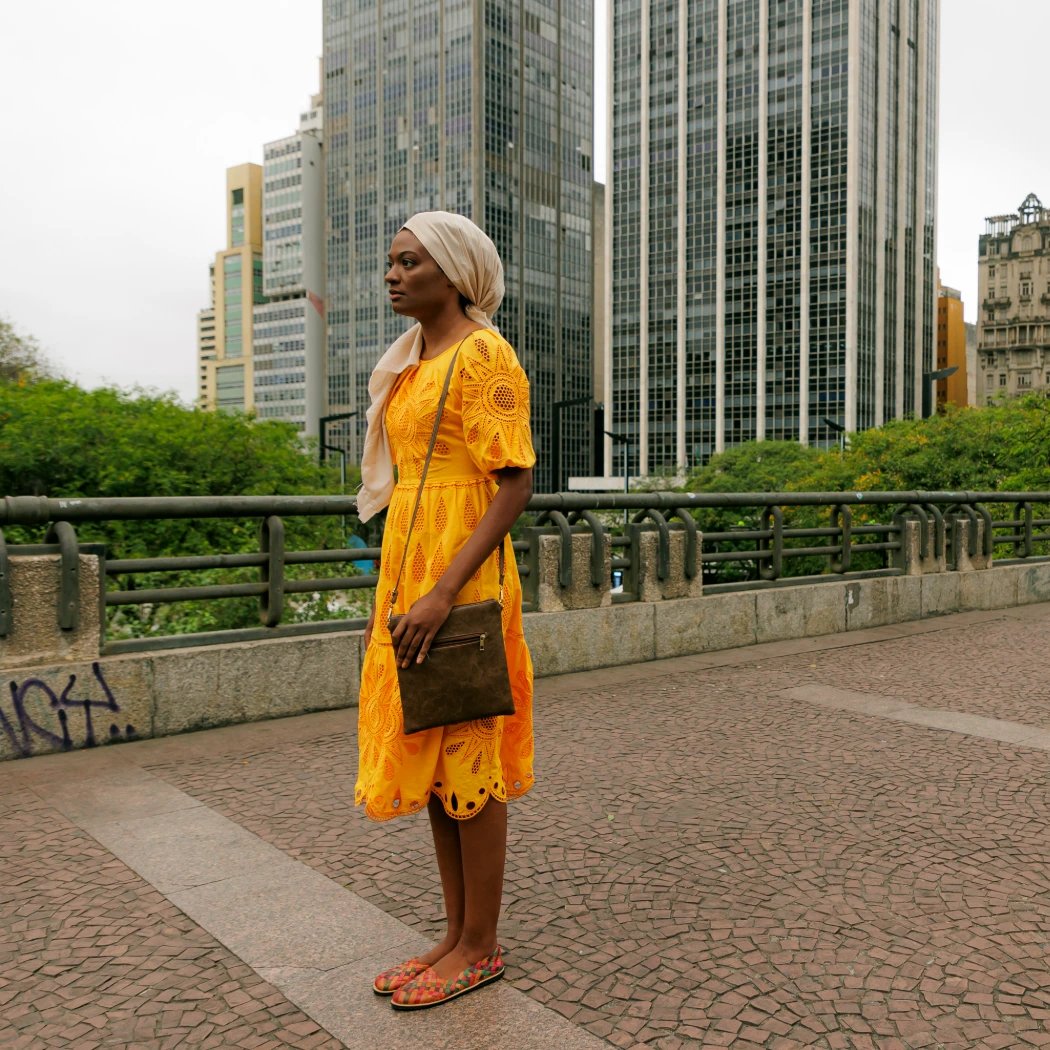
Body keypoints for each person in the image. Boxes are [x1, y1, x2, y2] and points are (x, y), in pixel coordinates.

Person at [354, 210, 536, 1011]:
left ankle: (481, 945)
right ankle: (455, 934)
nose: (392, 275)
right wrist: (408, 587)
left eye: (409, 262)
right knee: (433, 758)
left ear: (454, 272)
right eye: (389, 263)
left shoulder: (483, 354)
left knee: (470, 756)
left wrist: (442, 591)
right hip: (410, 565)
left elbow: (515, 483)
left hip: (459, 577)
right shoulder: (413, 362)